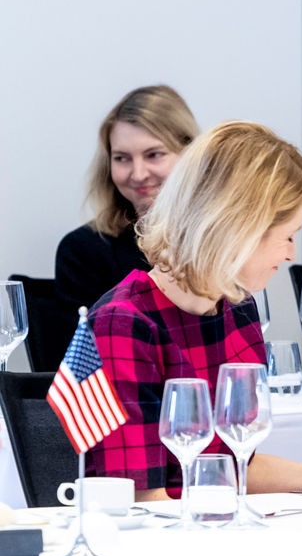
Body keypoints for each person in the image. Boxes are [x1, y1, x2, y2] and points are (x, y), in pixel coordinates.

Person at [86, 121, 302, 499]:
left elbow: (242, 466)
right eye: (288, 235)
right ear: (239, 227)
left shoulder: (238, 309)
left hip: (209, 527)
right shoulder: (124, 322)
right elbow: (141, 498)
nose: (291, 254)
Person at [53, 85, 199, 364]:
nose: (138, 174)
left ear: (190, 155)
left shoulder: (217, 240)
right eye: (122, 158)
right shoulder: (83, 251)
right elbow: (81, 368)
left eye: (154, 154)